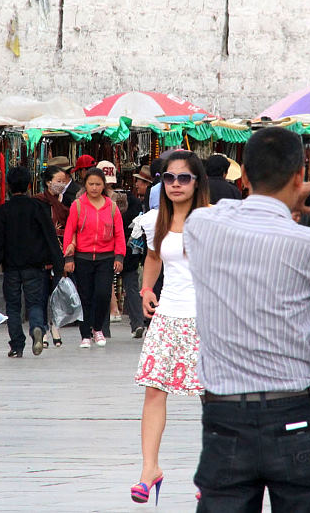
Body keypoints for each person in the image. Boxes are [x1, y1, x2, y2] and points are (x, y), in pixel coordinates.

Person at [184, 127, 310, 511]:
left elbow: (221, 209)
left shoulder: (202, 228)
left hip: (225, 414)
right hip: (292, 412)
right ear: (299, 176)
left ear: (243, 175)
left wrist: (280, 199)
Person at [130, 150, 209, 504]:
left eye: (184, 178)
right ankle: (149, 469)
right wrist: (147, 289)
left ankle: (213, 472)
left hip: (206, 319)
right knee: (153, 390)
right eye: (169, 178)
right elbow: (153, 257)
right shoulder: (153, 220)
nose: (176, 184)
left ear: (197, 182)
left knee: (212, 396)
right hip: (167, 316)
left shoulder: (211, 220)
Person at [0, 167, 64, 358]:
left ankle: (16, 345)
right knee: (35, 303)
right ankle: (37, 327)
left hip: (11, 267)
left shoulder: (3, 211)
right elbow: (50, 236)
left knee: (13, 306)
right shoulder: (37, 207)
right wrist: (58, 265)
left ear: (9, 186)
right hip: (35, 266)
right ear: (29, 185)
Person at [62, 167, 125, 348]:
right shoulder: (78, 205)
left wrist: (119, 256)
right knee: (85, 296)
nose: (95, 188)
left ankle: (97, 328)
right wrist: (69, 258)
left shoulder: (112, 207)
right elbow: (69, 231)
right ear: (85, 185)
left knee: (103, 294)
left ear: (104, 185)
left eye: (98, 184)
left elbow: (119, 234)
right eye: (91, 184)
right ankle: (85, 334)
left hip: (106, 257)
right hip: (83, 257)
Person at [35, 165, 70, 347]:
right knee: (41, 294)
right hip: (43, 252)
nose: (61, 184)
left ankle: (55, 326)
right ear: (48, 182)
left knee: (58, 293)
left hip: (61, 252)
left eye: (64, 181)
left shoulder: (67, 201)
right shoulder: (39, 202)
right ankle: (43, 329)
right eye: (58, 181)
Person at [121, 170, 148, 339]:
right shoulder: (136, 201)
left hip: (120, 248)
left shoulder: (135, 201)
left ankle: (99, 328)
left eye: (140, 181)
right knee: (131, 285)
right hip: (131, 249)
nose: (137, 184)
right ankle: (137, 323)